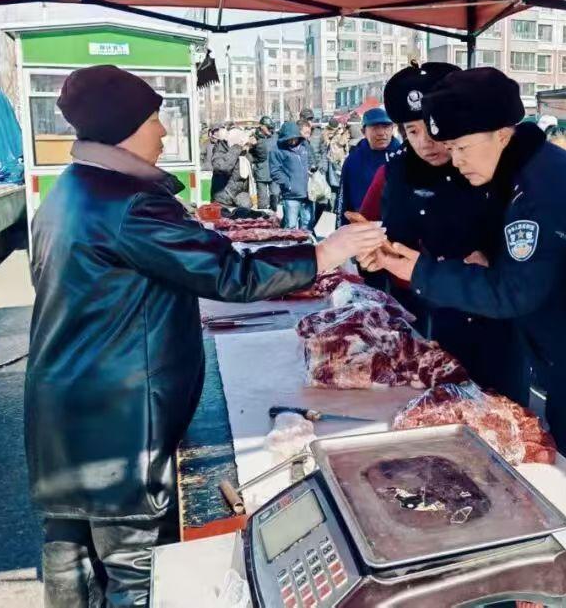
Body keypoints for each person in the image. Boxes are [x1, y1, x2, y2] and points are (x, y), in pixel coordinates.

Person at [26, 65, 385, 607]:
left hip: (65, 409)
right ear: (124, 127)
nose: (164, 131)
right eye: (154, 119)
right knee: (137, 574)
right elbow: (230, 274)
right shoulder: (130, 202)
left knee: (70, 558)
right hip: (118, 422)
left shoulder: (70, 189)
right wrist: (324, 253)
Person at [369, 68, 566, 494]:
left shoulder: (540, 189)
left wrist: (420, 271)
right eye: (450, 148)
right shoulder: (523, 170)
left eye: (462, 148)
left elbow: (513, 291)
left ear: (501, 136)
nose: (456, 161)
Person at [358, 63, 527, 402]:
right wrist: (372, 255)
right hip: (428, 316)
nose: (426, 143)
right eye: (412, 131)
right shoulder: (396, 173)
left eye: (433, 129)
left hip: (495, 316)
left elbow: (523, 234)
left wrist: (493, 255)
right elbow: (380, 233)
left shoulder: (488, 164)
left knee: (503, 408)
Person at [336, 107, 400, 226]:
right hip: (362, 227)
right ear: (363, 131)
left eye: (386, 127)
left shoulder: (402, 157)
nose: (381, 133)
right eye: (375, 128)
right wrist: (340, 229)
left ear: (392, 128)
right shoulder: (353, 161)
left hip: (397, 228)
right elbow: (343, 201)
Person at [271, 121, 314, 230]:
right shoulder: (277, 150)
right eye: (290, 139)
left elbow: (311, 160)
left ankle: (306, 241)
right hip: (291, 194)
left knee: (307, 224)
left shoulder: (305, 146)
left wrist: (312, 169)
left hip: (307, 193)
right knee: (291, 225)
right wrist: (288, 184)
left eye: (295, 138)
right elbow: (275, 171)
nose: (293, 141)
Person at [209, 127, 252, 208]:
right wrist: (236, 148)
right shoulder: (220, 149)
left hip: (239, 197)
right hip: (223, 199)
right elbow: (222, 168)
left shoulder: (243, 152)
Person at [250, 116, 278, 211]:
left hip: (274, 172)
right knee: (262, 201)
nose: (270, 129)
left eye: (271, 127)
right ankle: (262, 217)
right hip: (261, 172)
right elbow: (251, 155)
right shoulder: (254, 138)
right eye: (268, 127)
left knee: (275, 196)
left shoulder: (276, 137)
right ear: (262, 126)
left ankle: (273, 216)